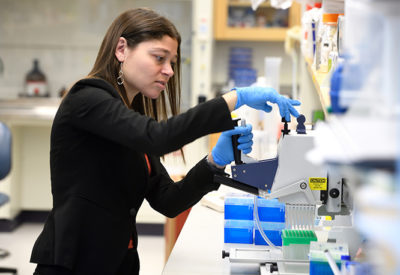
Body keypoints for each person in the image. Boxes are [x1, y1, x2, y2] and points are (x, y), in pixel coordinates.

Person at [30, 8, 300, 275]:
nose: (169, 71)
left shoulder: (129, 116)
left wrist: (213, 162)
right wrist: (234, 98)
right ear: (121, 49)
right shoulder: (87, 99)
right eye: (159, 58)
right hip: (72, 264)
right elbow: (158, 138)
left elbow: (168, 201)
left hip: (118, 263)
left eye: (172, 62)